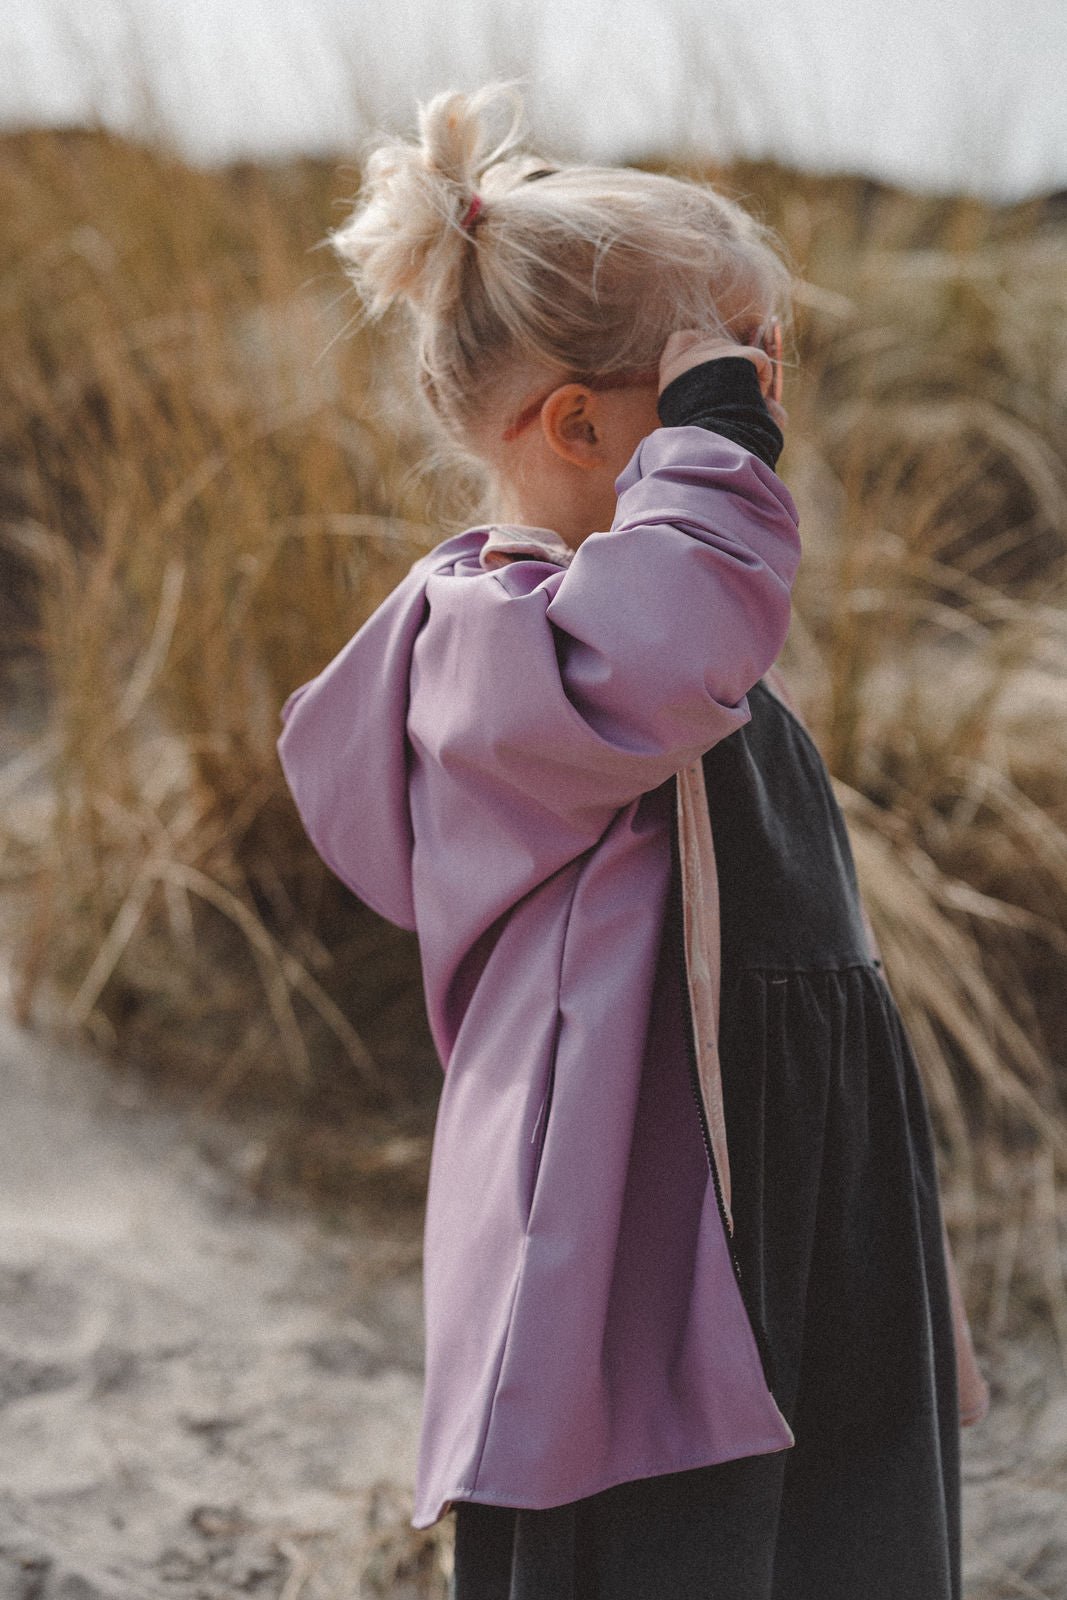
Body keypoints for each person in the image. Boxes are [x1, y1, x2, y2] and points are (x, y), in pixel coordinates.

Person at [277, 83, 989, 1600]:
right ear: (580, 426)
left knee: (827, 1522)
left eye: (764, 371)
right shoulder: (494, 644)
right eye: (715, 381)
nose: (759, 413)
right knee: (663, 1535)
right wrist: (718, 460)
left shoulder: (642, 610)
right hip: (640, 1205)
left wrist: (704, 434)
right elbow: (660, 651)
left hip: (786, 1153)